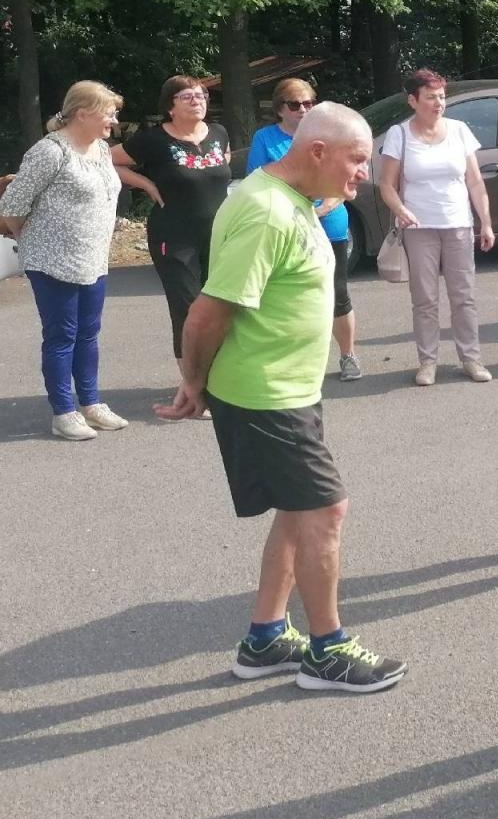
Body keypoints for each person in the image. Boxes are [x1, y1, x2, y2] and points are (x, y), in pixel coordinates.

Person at [156, 102, 405, 693]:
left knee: (300, 509)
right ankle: (328, 651)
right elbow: (206, 313)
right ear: (316, 151)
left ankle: (266, 638)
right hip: (265, 393)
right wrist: (193, 381)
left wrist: (326, 202)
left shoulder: (289, 198)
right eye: (356, 160)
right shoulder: (266, 211)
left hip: (289, 387)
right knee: (324, 510)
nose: (362, 175)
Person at [0, 81, 128, 441]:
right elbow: (12, 205)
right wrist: (31, 241)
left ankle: (90, 404)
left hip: (93, 257)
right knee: (62, 336)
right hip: (52, 260)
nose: (114, 120)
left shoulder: (101, 149)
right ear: (83, 113)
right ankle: (64, 413)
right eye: (109, 112)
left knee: (89, 333)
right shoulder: (49, 151)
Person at [377, 68, 495, 386]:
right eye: (431, 97)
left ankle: (471, 359)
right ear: (413, 100)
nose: (438, 103)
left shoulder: (459, 131)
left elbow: (474, 182)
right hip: (419, 227)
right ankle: (427, 362)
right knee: (425, 298)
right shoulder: (399, 135)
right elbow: (386, 185)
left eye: (441, 96)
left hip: (458, 223)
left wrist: (486, 222)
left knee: (464, 296)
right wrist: (401, 211)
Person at [246, 78, 362, 382]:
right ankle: (290, 360)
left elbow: (349, 179)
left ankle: (348, 355)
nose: (303, 109)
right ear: (279, 108)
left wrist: (323, 206)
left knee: (338, 294)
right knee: (285, 296)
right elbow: (257, 179)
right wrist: (302, 206)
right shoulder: (266, 138)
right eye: (295, 104)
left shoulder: (331, 135)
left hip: (330, 225)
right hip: (287, 227)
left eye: (309, 103)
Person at [111, 75, 231, 369]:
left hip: (218, 235)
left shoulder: (218, 133)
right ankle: (193, 385)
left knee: (219, 307)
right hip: (174, 237)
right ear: (170, 106)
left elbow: (223, 163)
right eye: (187, 96)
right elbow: (106, 159)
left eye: (201, 95)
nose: (197, 101)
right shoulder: (154, 139)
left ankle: (220, 377)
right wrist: (145, 184)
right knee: (188, 309)